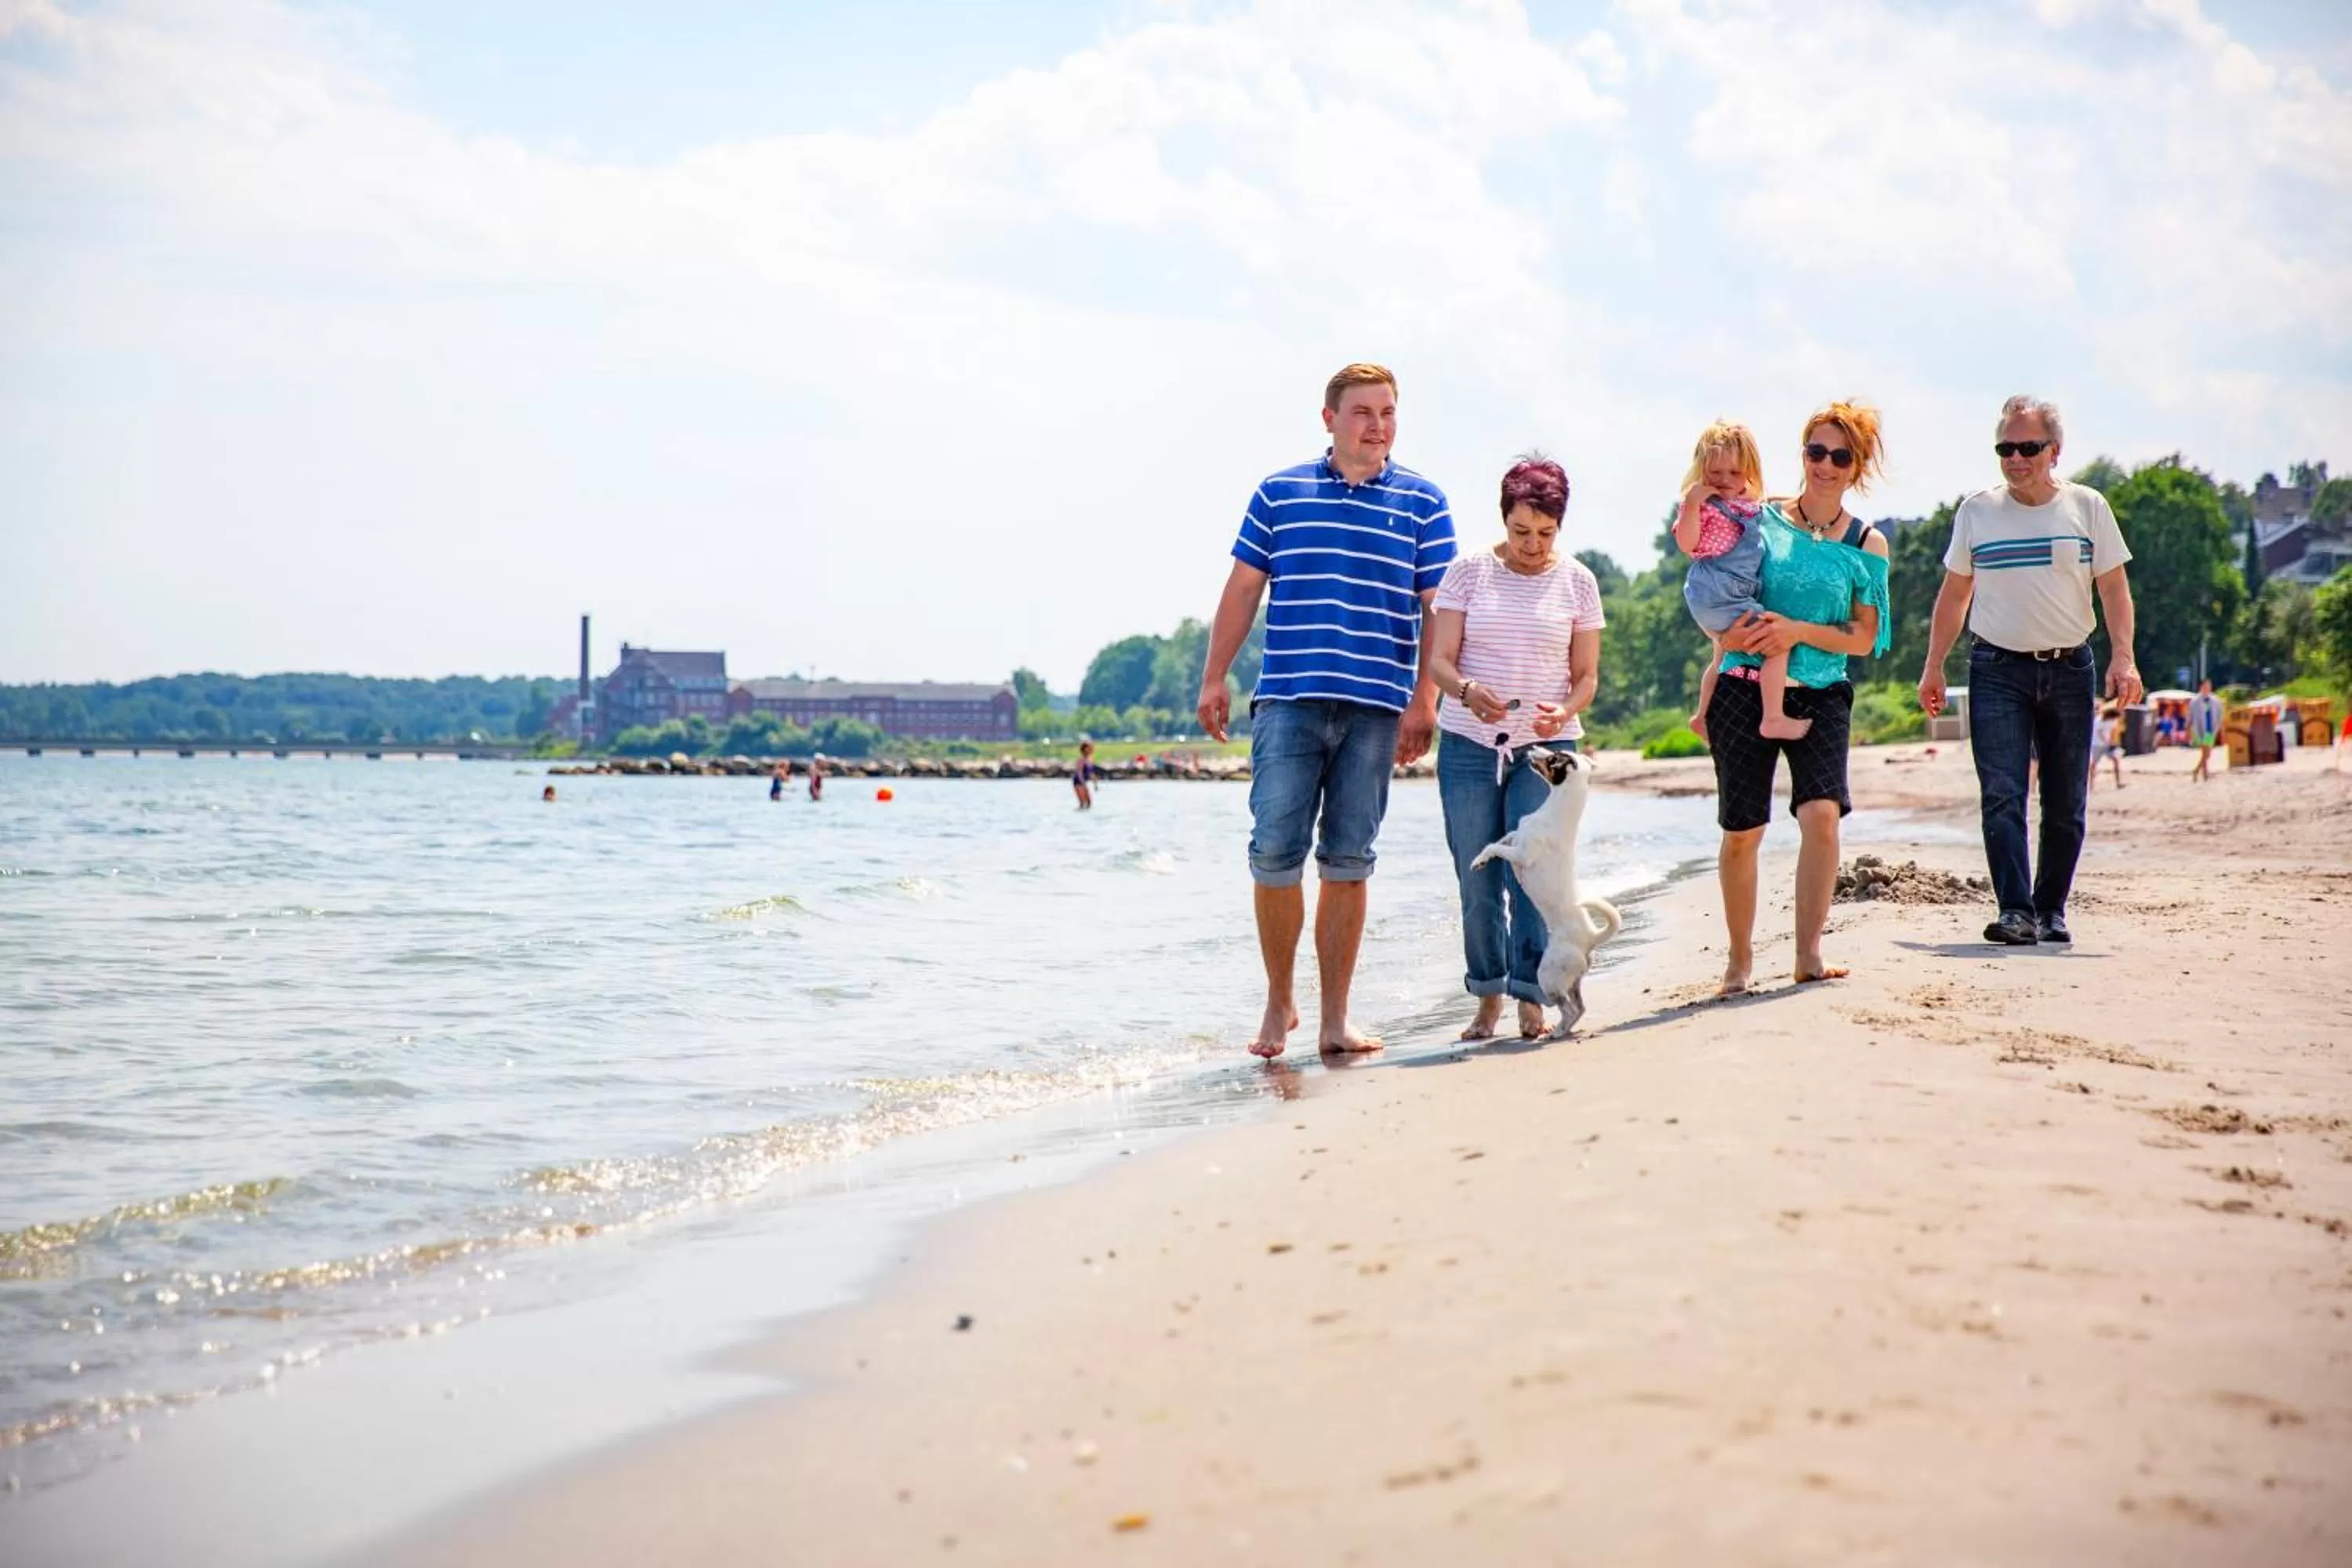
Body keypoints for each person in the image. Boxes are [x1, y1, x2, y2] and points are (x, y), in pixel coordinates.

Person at [1196, 362, 1457, 1058]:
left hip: (1377, 708)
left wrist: (1422, 700)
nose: (1379, 425)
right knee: (1275, 852)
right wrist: (1214, 677)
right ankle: (1280, 1001)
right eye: (1364, 412)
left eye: (1389, 412)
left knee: (1348, 860)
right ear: (1330, 419)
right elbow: (1244, 587)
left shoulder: (1425, 504)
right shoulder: (1279, 493)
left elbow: (1440, 612)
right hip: (1287, 701)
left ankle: (1335, 1019)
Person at [1919, 395, 2140, 946]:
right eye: (2005, 448)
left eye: (2028, 447)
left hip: (2070, 668)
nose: (2015, 459)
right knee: (2002, 793)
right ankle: (2015, 911)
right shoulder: (1977, 512)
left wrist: (2124, 656)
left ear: (2055, 451)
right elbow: (1954, 596)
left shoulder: (2088, 508)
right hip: (1996, 668)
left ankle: (2051, 909)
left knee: (2066, 800)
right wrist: (1934, 666)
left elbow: (2113, 587)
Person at [1707, 400, 1893, 996]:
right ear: (1803, 454)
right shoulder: (1757, 519)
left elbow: (1864, 636)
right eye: (1817, 451)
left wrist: (1797, 631)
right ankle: (1738, 961)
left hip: (1823, 691)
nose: (1826, 464)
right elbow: (1715, 590)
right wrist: (1727, 636)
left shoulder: (1869, 544)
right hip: (1741, 686)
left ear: (1856, 465)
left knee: (1823, 815)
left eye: (1841, 455)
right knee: (1743, 829)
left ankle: (1808, 954)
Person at [1421, 453, 1605, 1041]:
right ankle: (1486, 999)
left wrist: (1567, 710)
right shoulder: (1468, 572)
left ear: (1561, 524)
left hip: (1547, 756)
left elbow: (1587, 677)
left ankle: (1531, 998)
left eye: (1545, 533)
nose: (1532, 544)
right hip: (1470, 744)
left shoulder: (1578, 581)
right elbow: (1440, 663)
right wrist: (1470, 691)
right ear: (1504, 520)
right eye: (1521, 531)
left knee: (1535, 878)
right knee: (1477, 880)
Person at [1673, 421, 1806, 742]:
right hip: (1718, 590)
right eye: (1715, 473)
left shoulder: (1748, 502)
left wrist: (1804, 502)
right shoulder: (1701, 505)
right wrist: (1691, 504)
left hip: (1725, 593)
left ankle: (1702, 717)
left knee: (1721, 655)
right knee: (1776, 640)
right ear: (1701, 470)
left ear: (1749, 471)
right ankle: (1773, 716)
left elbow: (1769, 502)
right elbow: (1687, 544)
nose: (1725, 482)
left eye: (1735, 473)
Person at [2189, 679, 2223, 782]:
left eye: (2209, 686)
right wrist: (2190, 730)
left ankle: (2196, 771)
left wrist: (2218, 727)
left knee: (2207, 754)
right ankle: (2205, 774)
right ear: (2201, 687)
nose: (2207, 688)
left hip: (2211, 730)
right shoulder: (2195, 701)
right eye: (2205, 686)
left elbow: (2219, 715)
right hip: (2199, 730)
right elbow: (2191, 717)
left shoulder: (2215, 700)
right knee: (2205, 752)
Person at [2089, 704, 2125, 789]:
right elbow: (2100, 732)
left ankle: (2118, 783)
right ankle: (2091, 785)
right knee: (2094, 764)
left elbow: (2112, 731)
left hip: (2107, 744)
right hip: (2097, 744)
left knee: (2116, 760)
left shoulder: (2114, 720)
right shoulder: (2099, 720)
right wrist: (2109, 742)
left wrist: (2113, 742)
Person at [1072, 739, 1097, 810]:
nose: (1089, 749)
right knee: (1082, 803)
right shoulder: (1081, 760)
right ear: (1084, 749)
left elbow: (1091, 772)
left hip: (1084, 782)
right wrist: (1083, 784)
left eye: (1090, 748)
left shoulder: (1090, 759)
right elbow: (1079, 773)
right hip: (1078, 782)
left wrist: (1095, 782)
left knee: (1089, 803)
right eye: (1088, 748)